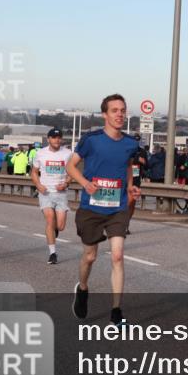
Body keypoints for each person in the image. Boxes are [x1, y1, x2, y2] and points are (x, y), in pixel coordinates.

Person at [66, 94, 140, 326]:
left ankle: (116, 312)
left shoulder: (130, 143)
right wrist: (85, 183)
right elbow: (70, 165)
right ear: (104, 115)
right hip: (91, 208)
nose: (119, 114)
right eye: (114, 110)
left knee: (117, 255)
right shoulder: (91, 140)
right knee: (90, 256)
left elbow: (128, 165)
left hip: (117, 208)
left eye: (122, 110)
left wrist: (130, 187)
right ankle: (83, 288)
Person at [31, 128, 72, 265]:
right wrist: (38, 185)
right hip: (45, 192)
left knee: (60, 226)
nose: (57, 140)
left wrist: (66, 183)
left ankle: (55, 230)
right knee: (49, 220)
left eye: (59, 137)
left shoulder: (67, 154)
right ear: (48, 139)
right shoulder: (40, 153)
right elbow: (34, 172)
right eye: (54, 137)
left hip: (61, 193)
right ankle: (52, 253)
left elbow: (72, 172)